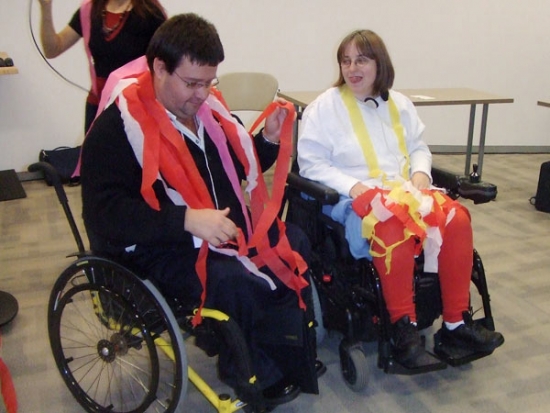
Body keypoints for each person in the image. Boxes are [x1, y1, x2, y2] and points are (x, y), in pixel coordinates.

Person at [80, 13, 320, 409]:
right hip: (157, 245)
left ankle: (284, 347)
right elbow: (106, 215)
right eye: (191, 83)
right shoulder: (116, 128)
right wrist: (187, 220)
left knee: (293, 241)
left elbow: (235, 170)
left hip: (217, 227)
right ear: (159, 68)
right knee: (232, 279)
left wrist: (268, 141)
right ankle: (251, 369)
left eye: (209, 83)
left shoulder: (210, 114)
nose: (202, 94)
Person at [297, 29, 504, 369]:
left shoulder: (400, 104)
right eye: (346, 61)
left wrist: (421, 173)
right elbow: (311, 164)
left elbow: (419, 147)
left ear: (380, 64)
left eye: (361, 60)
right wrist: (353, 187)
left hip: (404, 191)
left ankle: (455, 324)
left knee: (456, 219)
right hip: (353, 198)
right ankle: (402, 330)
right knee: (392, 224)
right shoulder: (324, 108)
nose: (352, 68)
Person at [38, 0, 166, 133]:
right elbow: (52, 50)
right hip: (98, 105)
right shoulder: (89, 11)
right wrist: (46, 8)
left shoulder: (150, 12)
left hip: (135, 107)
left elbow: (168, 58)